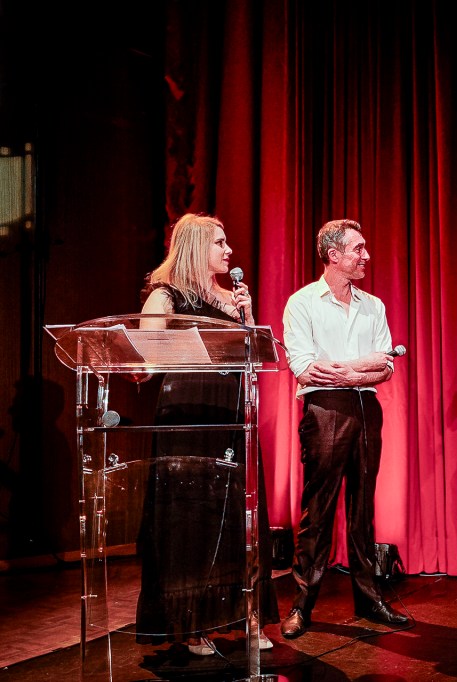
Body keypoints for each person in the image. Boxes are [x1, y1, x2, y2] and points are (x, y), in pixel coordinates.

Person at [134, 213, 279, 655]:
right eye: (220, 242)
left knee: (238, 515)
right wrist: (146, 363)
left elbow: (257, 353)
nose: (229, 249)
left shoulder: (234, 299)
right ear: (196, 247)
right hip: (188, 414)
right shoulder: (166, 296)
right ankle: (191, 624)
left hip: (232, 412)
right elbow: (149, 357)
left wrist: (248, 317)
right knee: (191, 518)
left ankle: (247, 616)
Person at [279, 218, 408, 639]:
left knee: (362, 510)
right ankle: (302, 604)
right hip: (325, 409)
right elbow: (305, 368)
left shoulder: (374, 306)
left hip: (366, 407)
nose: (366, 256)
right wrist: (362, 365)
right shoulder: (302, 303)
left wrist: (351, 371)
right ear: (334, 256)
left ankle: (369, 599)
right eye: (358, 249)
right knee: (318, 511)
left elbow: (386, 367)